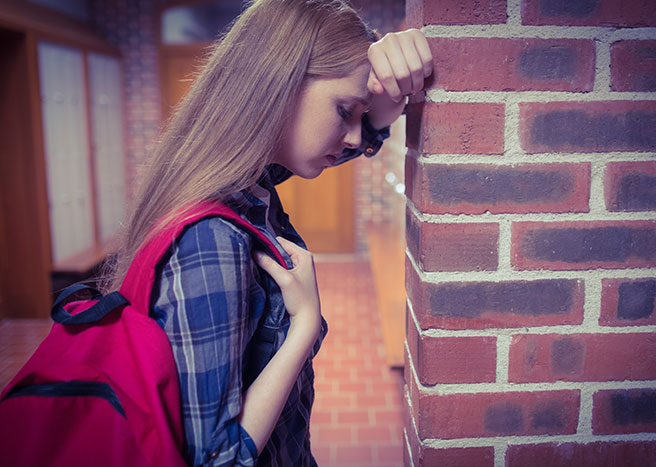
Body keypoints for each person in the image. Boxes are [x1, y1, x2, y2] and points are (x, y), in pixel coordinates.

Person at [103, 0, 432, 465]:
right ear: (279, 88)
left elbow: (363, 133)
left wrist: (395, 73)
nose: (356, 138)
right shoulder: (211, 240)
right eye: (344, 111)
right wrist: (304, 326)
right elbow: (217, 459)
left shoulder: (243, 183)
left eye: (358, 116)